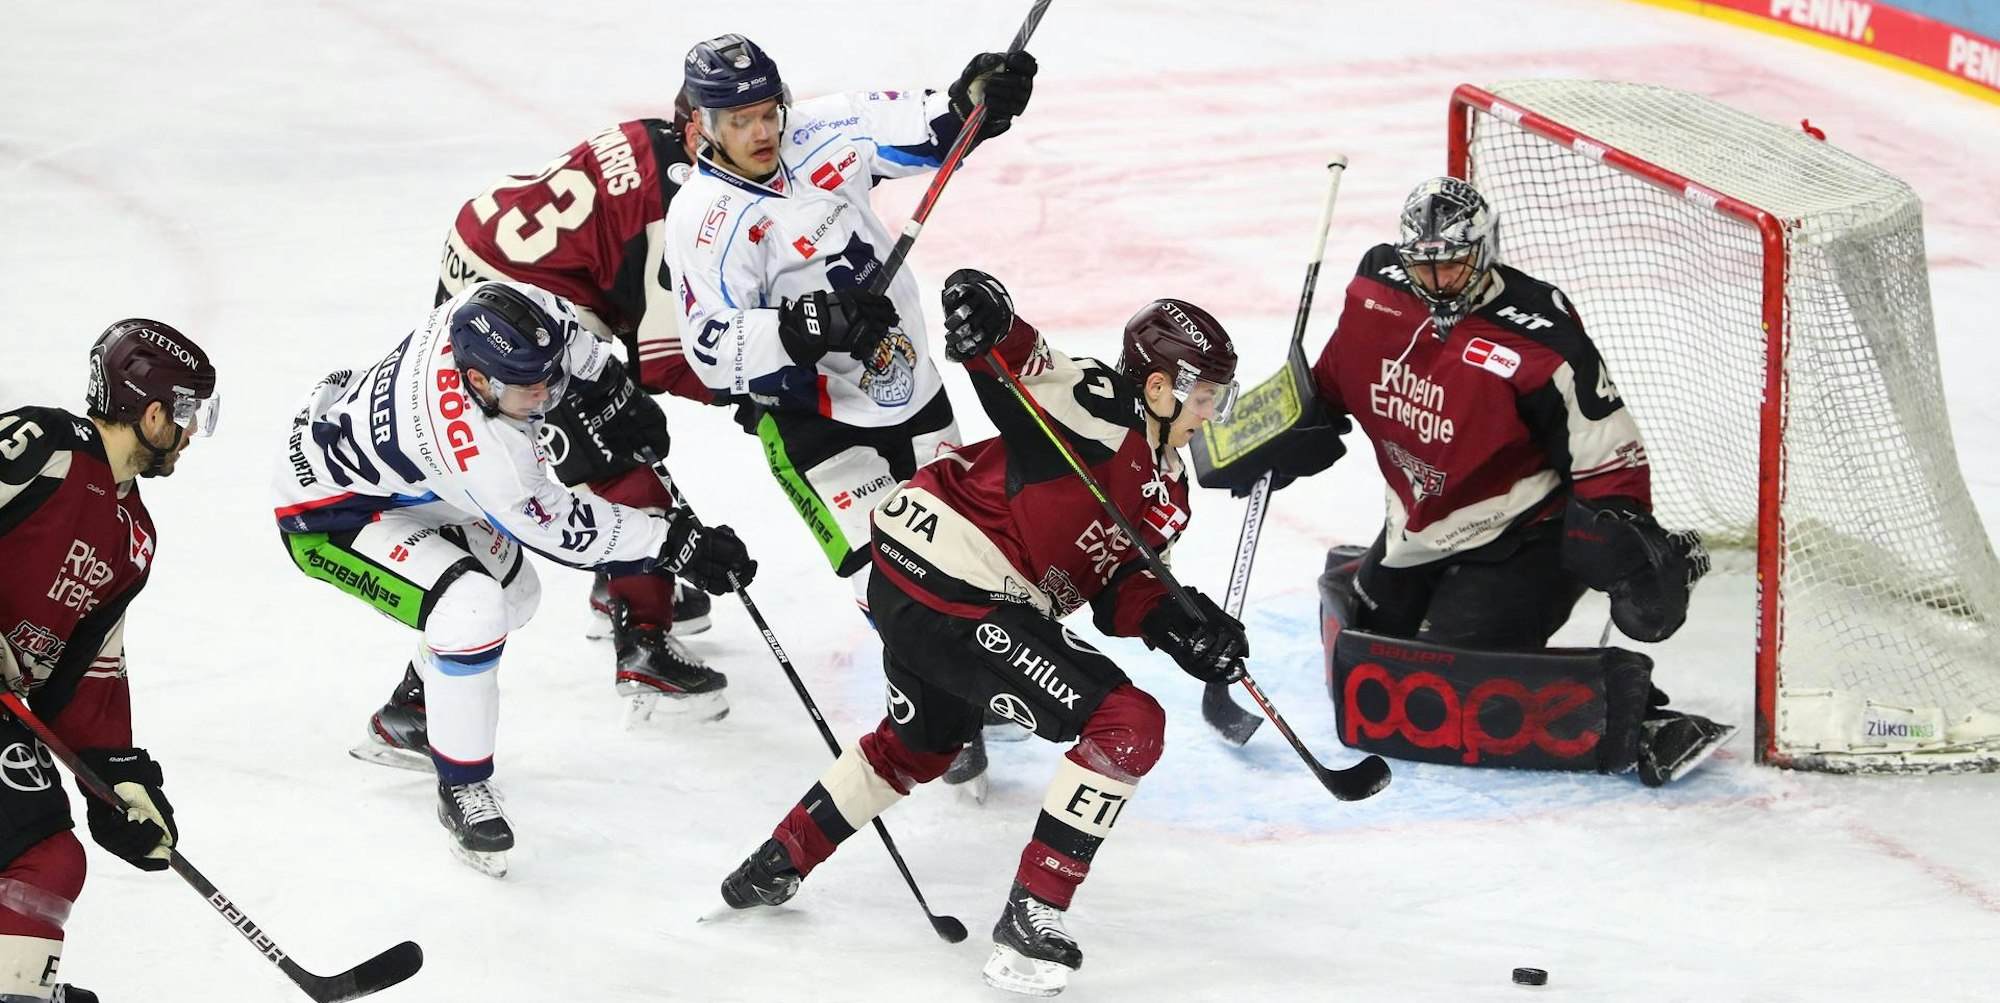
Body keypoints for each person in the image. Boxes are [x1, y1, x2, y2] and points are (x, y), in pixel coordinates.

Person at [716, 271, 1249, 997]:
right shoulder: (1106, 404)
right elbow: (1025, 363)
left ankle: (777, 859)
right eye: (1206, 395)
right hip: (956, 577)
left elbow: (1120, 588)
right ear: (1159, 388)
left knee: (919, 745)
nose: (1211, 412)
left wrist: (1185, 627)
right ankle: (1030, 919)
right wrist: (984, 318)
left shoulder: (1170, 490)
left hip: (919, 578)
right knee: (1129, 723)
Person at [1231, 176, 1725, 784]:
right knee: (1370, 648)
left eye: (1455, 264)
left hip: (1527, 536)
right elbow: (1334, 381)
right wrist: (1284, 424)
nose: (1438, 281)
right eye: (1423, 265)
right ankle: (1385, 578)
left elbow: (1604, 448)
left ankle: (1640, 720)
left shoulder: (1540, 335)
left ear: (1485, 249)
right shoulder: (1376, 289)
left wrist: (1625, 547)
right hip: (1421, 527)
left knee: (1444, 688)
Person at [271, 281, 756, 875]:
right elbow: (563, 527)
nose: (550, 394)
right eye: (532, 388)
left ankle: (415, 713)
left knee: (515, 596)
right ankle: (462, 788)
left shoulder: (498, 309)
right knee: (472, 608)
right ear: (478, 381)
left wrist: (614, 393)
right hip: (328, 514)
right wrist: (674, 543)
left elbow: (570, 336)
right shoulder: (478, 449)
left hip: (403, 481)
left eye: (551, 377)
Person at [664, 32, 1038, 792]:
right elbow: (708, 347)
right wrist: (806, 328)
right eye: (740, 120)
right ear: (703, 125)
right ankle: (934, 704)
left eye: (769, 111)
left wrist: (980, 102)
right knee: (892, 582)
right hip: (812, 421)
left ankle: (974, 678)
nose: (763, 130)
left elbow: (937, 126)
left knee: (970, 550)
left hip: (911, 386)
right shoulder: (703, 217)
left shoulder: (821, 129)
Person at [436, 92, 728, 725]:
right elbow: (664, 358)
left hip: (481, 261)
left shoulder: (658, 136)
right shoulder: (682, 201)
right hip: (520, 309)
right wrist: (758, 392)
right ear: (700, 131)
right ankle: (643, 643)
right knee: (625, 466)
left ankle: (617, 582)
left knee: (599, 431)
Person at [0, 320, 221, 1003]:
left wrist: (117, 780)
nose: (189, 435)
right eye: (186, 415)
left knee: (47, 857)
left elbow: (86, 671)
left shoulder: (135, 537)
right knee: (40, 854)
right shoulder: (46, 445)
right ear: (152, 412)